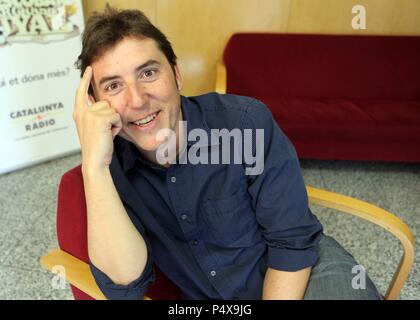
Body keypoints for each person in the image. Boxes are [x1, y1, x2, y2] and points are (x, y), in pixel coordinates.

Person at [73, 7, 381, 300]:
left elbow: (292, 244)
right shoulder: (107, 163)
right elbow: (124, 287)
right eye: (113, 86)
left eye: (148, 73)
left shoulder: (244, 122)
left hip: (306, 274)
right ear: (94, 103)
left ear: (177, 75)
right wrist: (94, 167)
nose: (137, 100)